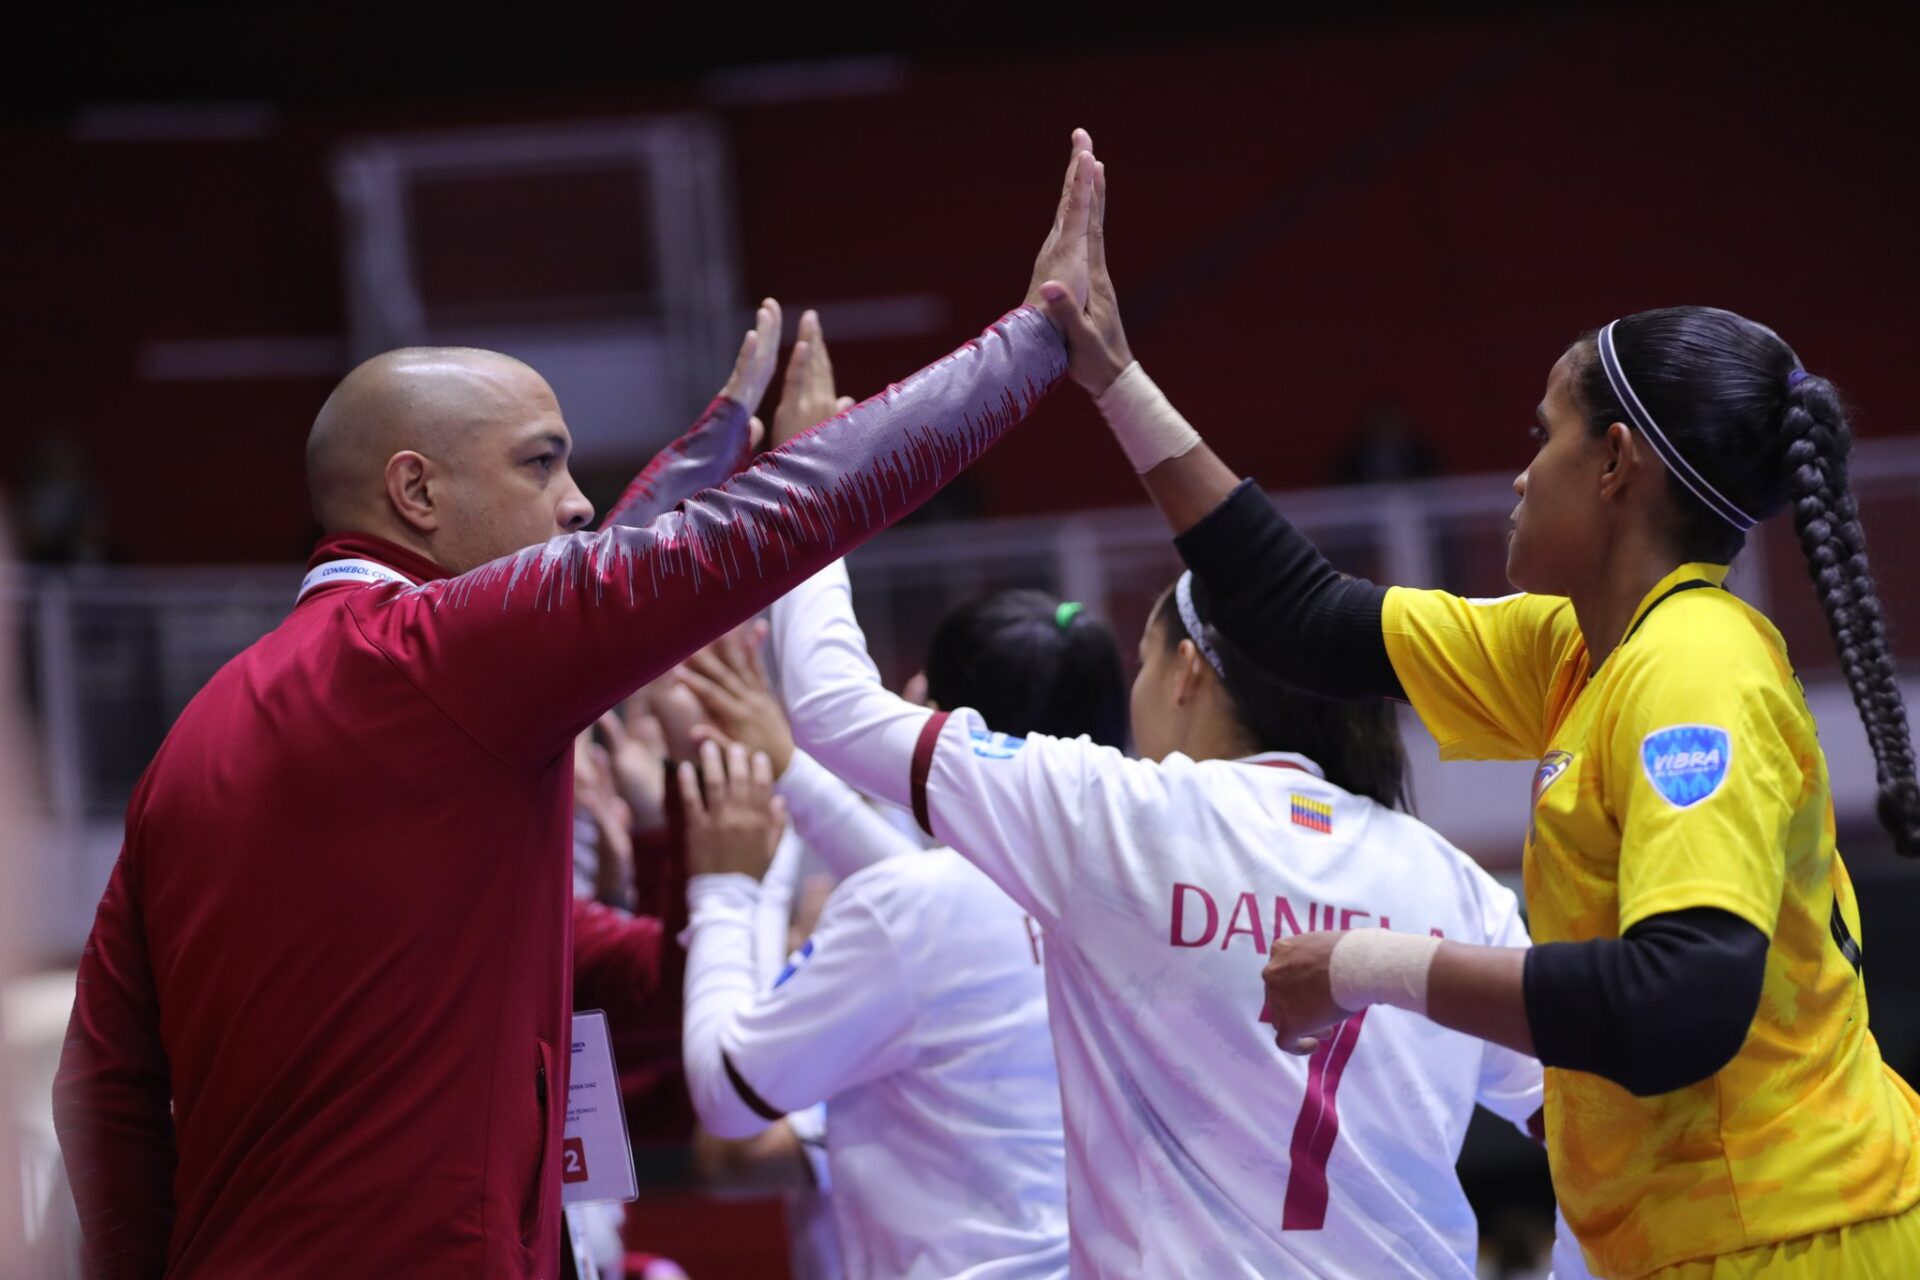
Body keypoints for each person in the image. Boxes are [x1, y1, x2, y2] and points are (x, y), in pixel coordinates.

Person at [50, 131, 1102, 1279]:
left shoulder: (192, 741)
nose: (578, 500)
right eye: (542, 465)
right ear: (416, 491)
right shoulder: (432, 656)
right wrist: (1038, 342)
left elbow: (101, 1082)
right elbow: (746, 537)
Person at [1040, 159, 1920, 1277]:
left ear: (1614, 464)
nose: (1515, 477)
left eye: (1542, 436)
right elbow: (1302, 614)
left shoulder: (1693, 668)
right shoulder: (1573, 646)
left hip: (1801, 1232)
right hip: (1714, 1238)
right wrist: (1112, 376)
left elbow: (1679, 1001)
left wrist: (1367, 961)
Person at [759, 533, 1588, 1276]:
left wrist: (823, 492)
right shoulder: (1455, 884)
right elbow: (1582, 1118)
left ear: (1187, 670)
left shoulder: (1118, 814)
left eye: (1146, 662)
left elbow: (833, 706)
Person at [674, 571, 1129, 1280]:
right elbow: (935, 918)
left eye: (919, 704)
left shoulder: (924, 903)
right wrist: (790, 772)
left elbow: (727, 1103)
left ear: (949, 729)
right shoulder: (1134, 876)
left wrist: (729, 887)